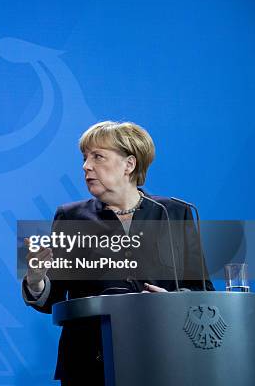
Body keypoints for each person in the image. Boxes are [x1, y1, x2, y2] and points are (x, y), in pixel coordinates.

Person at [22, 121, 213, 386]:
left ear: (129, 165)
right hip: (90, 365)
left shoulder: (174, 213)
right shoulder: (71, 216)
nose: (86, 166)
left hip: (163, 356)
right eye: (85, 157)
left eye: (97, 156)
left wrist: (172, 302)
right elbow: (52, 298)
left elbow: (202, 289)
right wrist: (36, 280)